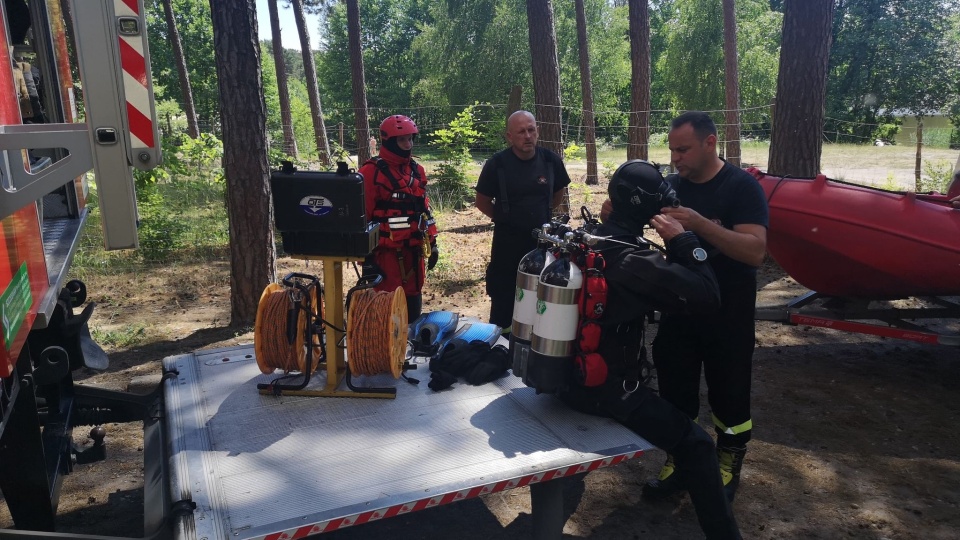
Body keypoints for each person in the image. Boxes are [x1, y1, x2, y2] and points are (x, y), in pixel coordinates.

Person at [558, 160, 741, 539]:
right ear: (644, 206)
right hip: (607, 392)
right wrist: (683, 240)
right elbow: (707, 297)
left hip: (564, 378)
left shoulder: (590, 238)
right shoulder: (633, 260)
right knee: (699, 446)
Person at [640, 111, 769, 503]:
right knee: (676, 387)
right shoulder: (670, 187)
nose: (675, 158)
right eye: (672, 150)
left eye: (683, 149)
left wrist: (699, 224)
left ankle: (728, 461)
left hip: (728, 312)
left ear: (710, 143)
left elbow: (755, 251)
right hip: (680, 310)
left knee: (729, 392)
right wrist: (619, 214)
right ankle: (682, 458)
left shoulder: (741, 187)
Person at [475, 110, 572, 329]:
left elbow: (558, 193)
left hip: (543, 244)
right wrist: (506, 218)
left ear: (537, 132)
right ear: (510, 136)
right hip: (507, 246)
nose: (527, 136)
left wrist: (541, 214)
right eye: (521, 132)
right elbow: (481, 202)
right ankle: (500, 349)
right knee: (503, 305)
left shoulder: (550, 160)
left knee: (542, 304)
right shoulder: (497, 165)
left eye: (531, 130)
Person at [359, 115, 438, 322]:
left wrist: (433, 241)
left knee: (413, 315)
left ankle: (411, 350)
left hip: (414, 255)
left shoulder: (417, 171)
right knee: (387, 314)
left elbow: (424, 210)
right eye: (402, 140)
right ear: (389, 141)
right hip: (385, 259)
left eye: (410, 139)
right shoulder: (370, 172)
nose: (408, 144)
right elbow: (361, 220)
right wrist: (366, 260)